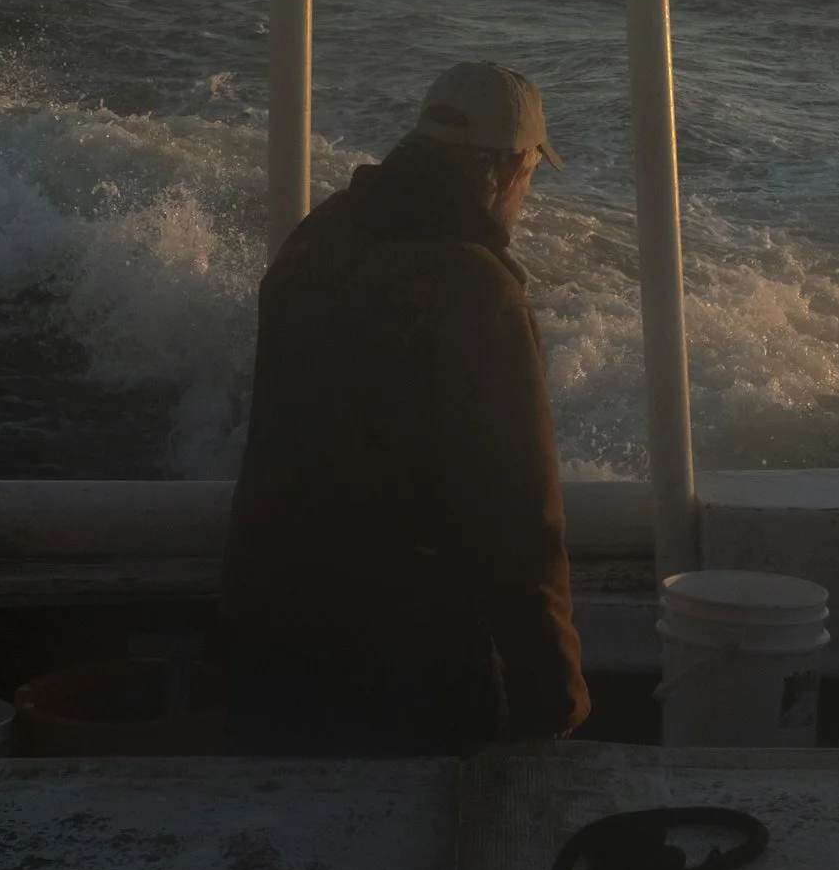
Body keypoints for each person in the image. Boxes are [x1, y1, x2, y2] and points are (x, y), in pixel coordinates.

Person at [221, 62, 591, 753]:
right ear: (511, 168)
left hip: (263, 631)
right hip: (399, 671)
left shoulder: (317, 235)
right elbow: (520, 522)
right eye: (533, 173)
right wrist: (557, 699)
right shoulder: (479, 293)